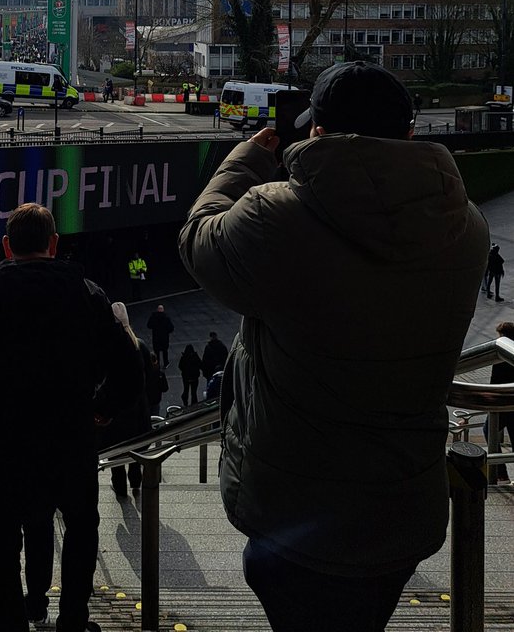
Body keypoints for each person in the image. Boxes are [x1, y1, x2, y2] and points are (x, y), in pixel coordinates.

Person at [179, 59, 488, 632]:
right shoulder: (467, 225)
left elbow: (200, 239)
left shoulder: (276, 215)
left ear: (316, 132)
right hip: (402, 506)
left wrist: (244, 160)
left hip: (296, 511)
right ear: (411, 134)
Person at [0, 202, 136, 632]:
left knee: (0, 544)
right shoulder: (88, 294)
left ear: (7, 246)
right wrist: (99, 408)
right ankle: (72, 620)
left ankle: (9, 622)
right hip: (69, 442)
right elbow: (129, 370)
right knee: (81, 531)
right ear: (54, 244)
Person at [99, 302, 151, 497]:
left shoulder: (107, 349)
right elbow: (150, 380)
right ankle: (136, 481)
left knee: (116, 451)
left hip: (117, 414)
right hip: (138, 412)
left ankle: (119, 486)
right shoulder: (140, 345)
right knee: (136, 451)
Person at [489, 321, 514, 483]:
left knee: (489, 430)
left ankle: (500, 472)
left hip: (502, 404)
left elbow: (494, 384)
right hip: (512, 403)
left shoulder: (501, 356)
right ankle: (501, 473)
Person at [146, 303, 174, 367]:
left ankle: (157, 363)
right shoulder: (166, 318)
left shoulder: (153, 317)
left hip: (156, 337)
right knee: (165, 351)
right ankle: (165, 363)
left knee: (156, 351)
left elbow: (149, 325)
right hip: (164, 337)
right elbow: (171, 328)